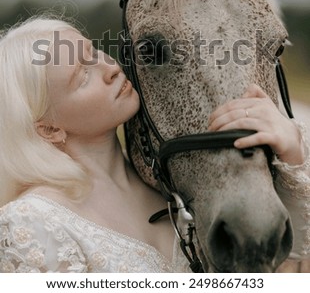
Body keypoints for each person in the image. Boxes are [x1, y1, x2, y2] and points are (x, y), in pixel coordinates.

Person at [0, 16, 309, 273]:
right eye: (82, 76)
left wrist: (292, 156)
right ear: (51, 129)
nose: (109, 68)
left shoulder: (173, 185)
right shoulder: (32, 223)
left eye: (93, 52)